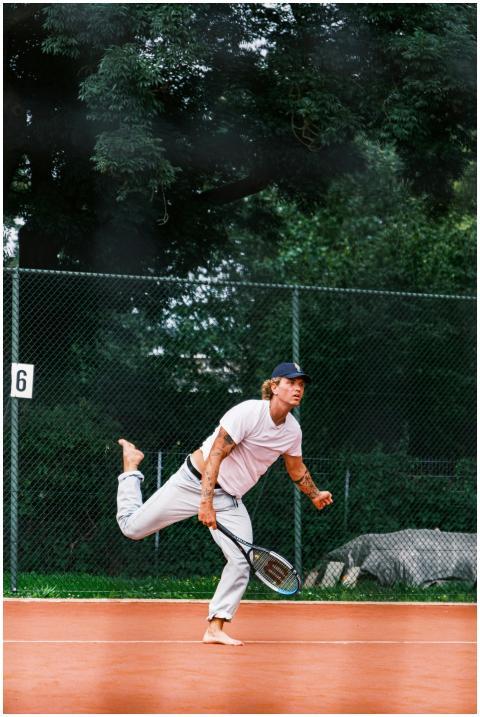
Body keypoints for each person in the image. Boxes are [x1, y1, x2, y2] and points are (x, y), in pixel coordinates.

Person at [116, 361, 333, 646]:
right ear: (274, 385)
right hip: (192, 482)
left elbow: (296, 469)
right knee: (132, 529)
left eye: (301, 385)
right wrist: (205, 503)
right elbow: (216, 453)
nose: (297, 389)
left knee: (242, 560)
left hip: (230, 500)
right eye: (291, 383)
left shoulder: (292, 431)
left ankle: (215, 627)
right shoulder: (248, 413)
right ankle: (131, 469)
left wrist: (314, 494)